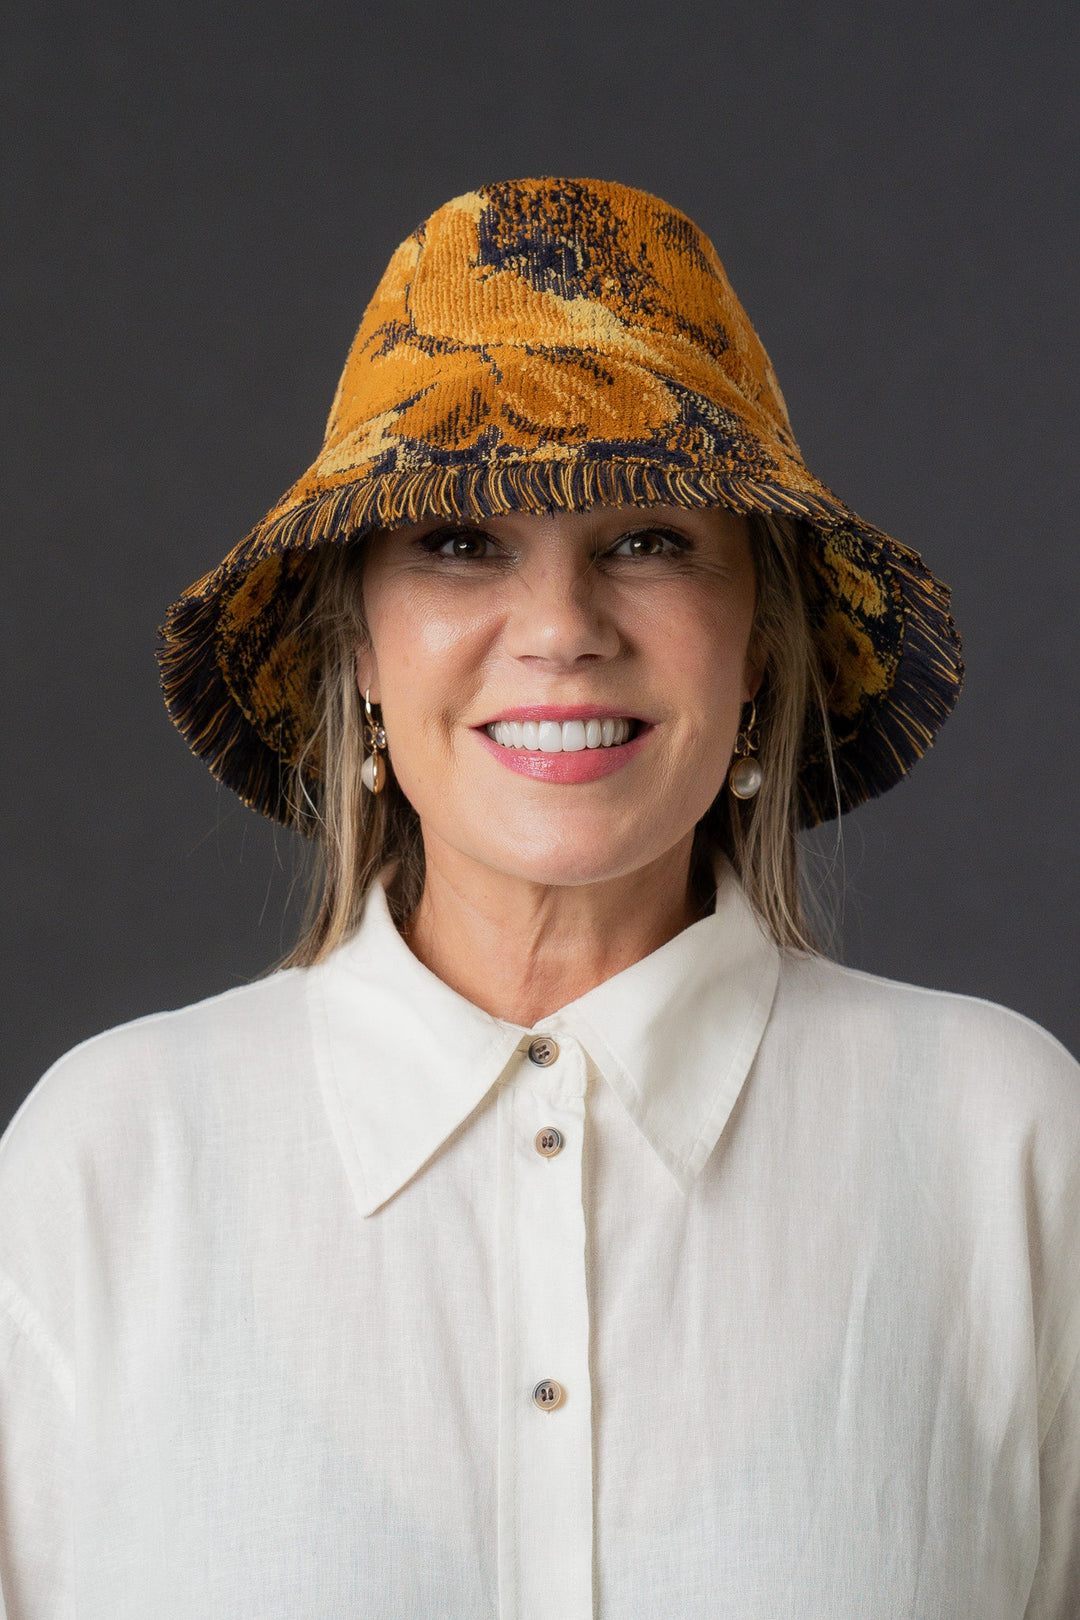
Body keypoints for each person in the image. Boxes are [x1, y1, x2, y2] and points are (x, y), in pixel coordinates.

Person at [0, 177, 1077, 1619]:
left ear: (758, 643)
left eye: (649, 540)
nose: (563, 630)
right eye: (461, 542)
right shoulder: (104, 1167)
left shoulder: (1007, 1145)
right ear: (359, 645)